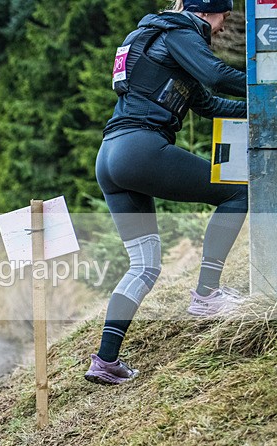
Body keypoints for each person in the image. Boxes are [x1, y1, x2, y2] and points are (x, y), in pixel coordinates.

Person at [85, 0, 247, 385]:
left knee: (145, 264)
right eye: (224, 16)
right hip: (140, 147)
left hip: (110, 156)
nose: (224, 27)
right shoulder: (180, 31)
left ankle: (105, 361)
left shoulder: (160, 38)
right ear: (209, 11)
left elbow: (208, 104)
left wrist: (261, 106)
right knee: (237, 193)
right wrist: (266, 84)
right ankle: (207, 295)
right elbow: (217, 76)